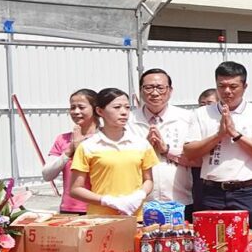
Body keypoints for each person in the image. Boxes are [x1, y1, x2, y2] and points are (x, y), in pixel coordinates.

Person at [183, 62, 252, 229]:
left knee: (247, 243)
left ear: (244, 86)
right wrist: (218, 135)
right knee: (211, 245)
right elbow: (189, 152)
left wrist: (236, 135)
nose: (227, 91)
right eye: (222, 86)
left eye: (233, 86)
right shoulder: (201, 113)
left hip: (246, 191)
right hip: (211, 192)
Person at [68, 87, 157, 217]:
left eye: (127, 107)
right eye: (117, 107)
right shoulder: (88, 146)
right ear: (100, 111)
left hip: (135, 216)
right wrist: (107, 201)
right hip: (101, 218)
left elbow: (148, 180)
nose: (124, 112)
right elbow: (76, 189)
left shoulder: (141, 144)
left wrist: (139, 196)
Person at [130, 69, 195, 215]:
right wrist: (145, 149)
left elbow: (197, 159)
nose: (154, 93)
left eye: (160, 87)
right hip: (140, 202)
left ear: (170, 90)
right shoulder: (128, 121)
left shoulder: (188, 118)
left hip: (181, 199)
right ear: (140, 90)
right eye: (148, 88)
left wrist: (166, 150)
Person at [43, 89, 99, 215]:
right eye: (72, 107)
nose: (76, 112)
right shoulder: (63, 139)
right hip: (69, 209)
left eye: (81, 107)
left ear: (96, 109)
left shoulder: (104, 138)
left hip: (98, 209)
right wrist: (69, 151)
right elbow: (47, 174)